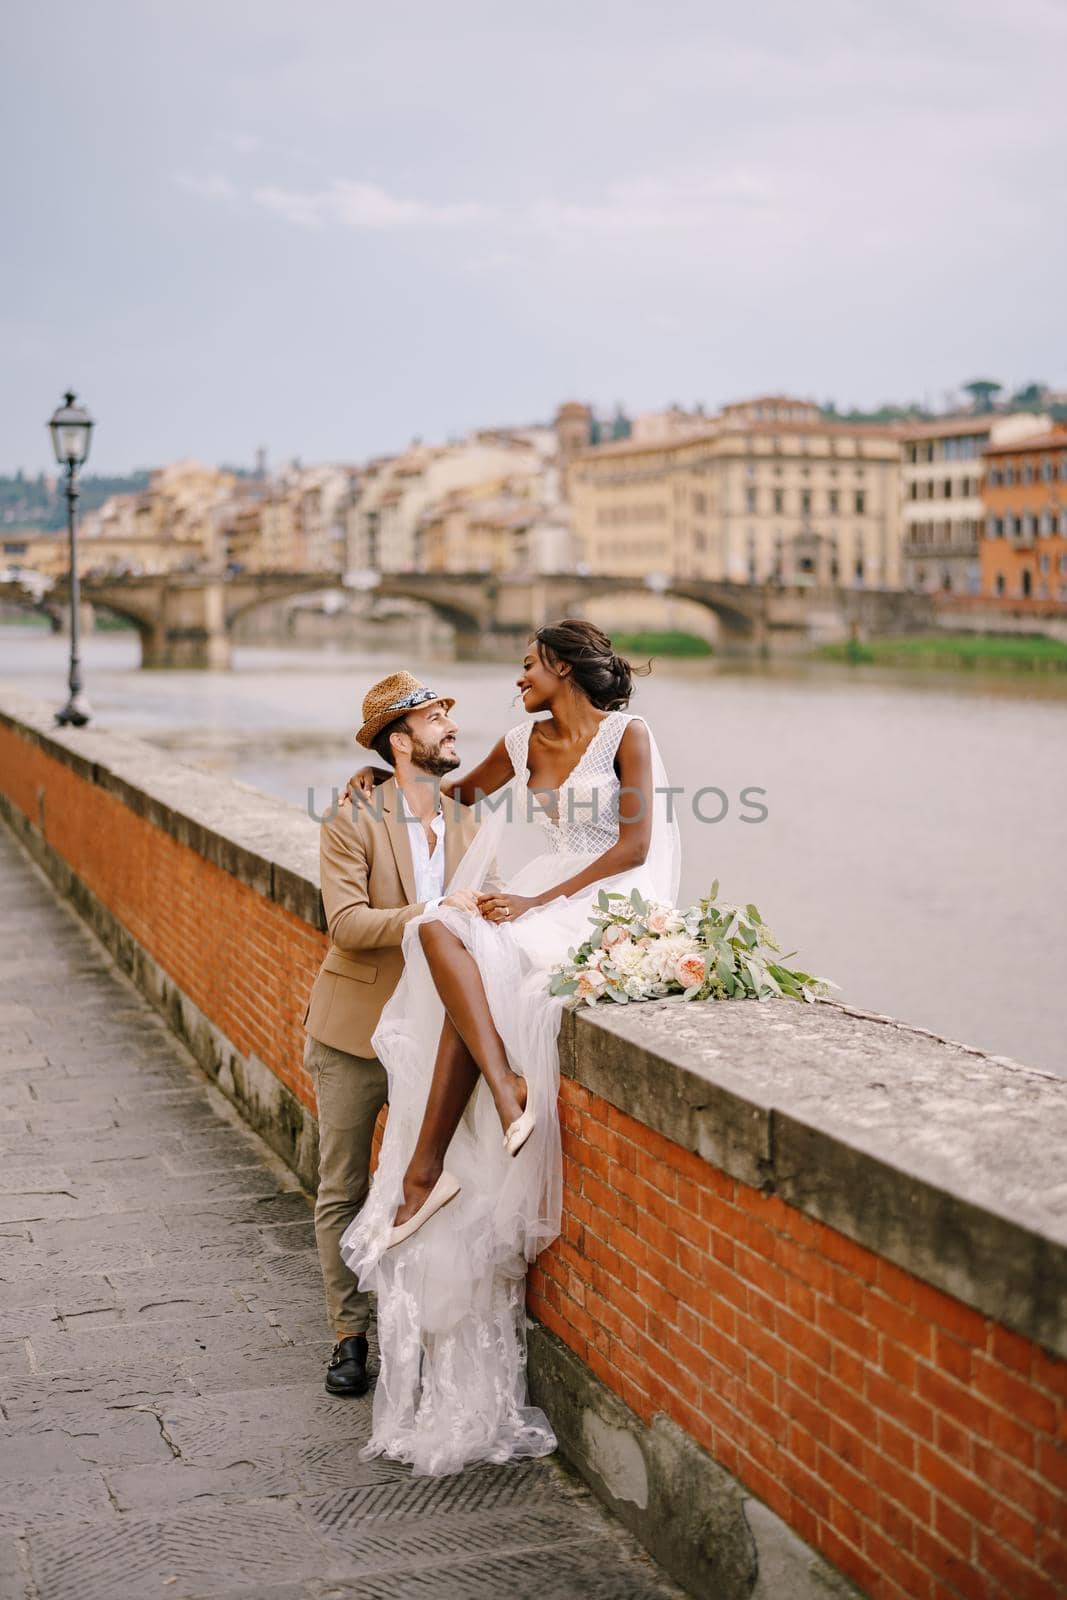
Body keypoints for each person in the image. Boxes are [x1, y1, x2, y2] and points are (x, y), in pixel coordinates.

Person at [340, 619, 680, 1476]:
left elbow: (633, 846)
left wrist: (532, 904)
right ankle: (503, 1090)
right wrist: (386, 774)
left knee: (478, 947)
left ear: (560, 668)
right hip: (545, 897)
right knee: (446, 930)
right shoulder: (522, 738)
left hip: (605, 900)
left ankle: (429, 1167)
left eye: (527, 666)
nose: (517, 679)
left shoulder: (627, 736)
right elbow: (447, 795)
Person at [302, 671, 485, 1399]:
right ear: (399, 739)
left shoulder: (468, 820)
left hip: (437, 1038)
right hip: (354, 1035)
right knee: (342, 1187)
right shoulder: (351, 816)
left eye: (448, 715)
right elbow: (345, 924)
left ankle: (417, 1328)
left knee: (432, 1187)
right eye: (437, 718)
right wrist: (437, 909)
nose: (451, 728)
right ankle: (348, 1337)